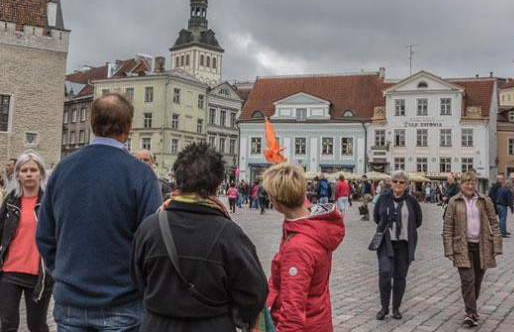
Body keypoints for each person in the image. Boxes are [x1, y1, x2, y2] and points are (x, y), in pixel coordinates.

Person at [36, 93, 163, 331]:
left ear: (93, 124)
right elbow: (152, 242)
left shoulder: (63, 169)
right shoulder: (141, 174)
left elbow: (44, 234)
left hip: (71, 301)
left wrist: (63, 271)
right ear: (128, 127)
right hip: (122, 301)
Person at [131, 143, 268, 331]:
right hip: (212, 324)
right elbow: (255, 293)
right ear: (217, 184)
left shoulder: (149, 227)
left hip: (158, 324)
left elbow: (138, 280)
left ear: (178, 179)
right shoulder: (229, 234)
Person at [262, 163, 345, 332]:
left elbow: (293, 314)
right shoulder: (313, 221)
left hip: (306, 324)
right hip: (319, 319)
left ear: (276, 201)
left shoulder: (298, 248)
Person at [0, 151, 53, 332]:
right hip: (9, 272)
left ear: (41, 174)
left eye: (33, 169)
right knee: (8, 325)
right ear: (18, 176)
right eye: (24, 170)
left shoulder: (50, 203)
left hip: (39, 276)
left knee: (36, 326)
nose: (29, 174)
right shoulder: (11, 201)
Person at [443, 171, 502, 328]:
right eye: (466, 183)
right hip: (462, 246)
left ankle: (471, 307)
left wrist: (497, 245)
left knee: (476, 281)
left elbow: (494, 223)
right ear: (461, 185)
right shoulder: (454, 202)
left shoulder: (485, 200)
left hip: (482, 245)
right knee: (467, 279)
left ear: (475, 184)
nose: (469, 186)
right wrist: (449, 250)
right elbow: (448, 226)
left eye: (472, 183)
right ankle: (471, 313)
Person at [373, 170, 423, 321]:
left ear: (407, 185)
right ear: (391, 183)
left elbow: (418, 221)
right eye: (395, 181)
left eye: (402, 182)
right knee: (385, 274)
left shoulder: (412, 201)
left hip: (404, 244)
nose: (398, 185)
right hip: (386, 243)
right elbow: (377, 217)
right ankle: (384, 307)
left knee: (400, 277)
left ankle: (395, 308)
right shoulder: (383, 198)